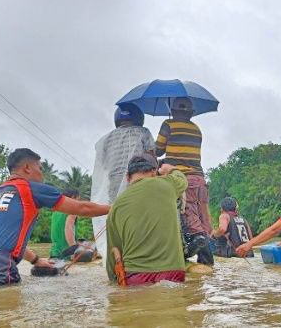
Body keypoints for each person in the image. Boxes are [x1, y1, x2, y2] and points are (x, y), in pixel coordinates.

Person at [0, 148, 110, 287]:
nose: (42, 173)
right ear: (27, 168)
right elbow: (82, 208)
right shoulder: (30, 188)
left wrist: (36, 260)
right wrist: (115, 207)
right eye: (40, 168)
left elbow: (5, 242)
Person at [106, 154, 188, 286]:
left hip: (135, 276)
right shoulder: (168, 185)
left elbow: (114, 252)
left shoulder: (116, 205)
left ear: (127, 177)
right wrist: (170, 169)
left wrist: (114, 281)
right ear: (154, 172)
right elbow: (182, 179)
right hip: (172, 272)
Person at [91, 103, 155, 260]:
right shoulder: (144, 133)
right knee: (140, 219)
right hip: (138, 182)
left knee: (120, 219)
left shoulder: (105, 139)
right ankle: (140, 254)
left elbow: (104, 164)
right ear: (139, 117)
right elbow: (152, 158)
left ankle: (120, 256)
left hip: (113, 187)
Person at [155, 97, 214, 265]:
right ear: (191, 113)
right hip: (200, 179)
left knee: (190, 220)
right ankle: (208, 263)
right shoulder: (196, 129)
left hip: (182, 178)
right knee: (204, 219)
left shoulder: (168, 124)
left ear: (173, 111)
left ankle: (206, 260)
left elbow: (158, 150)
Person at [48, 188, 94, 261]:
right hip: (67, 253)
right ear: (72, 198)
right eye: (78, 200)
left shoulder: (56, 211)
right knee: (92, 247)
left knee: (84, 243)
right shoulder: (72, 210)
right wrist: (73, 249)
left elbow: (58, 232)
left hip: (55, 252)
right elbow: (68, 228)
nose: (78, 202)